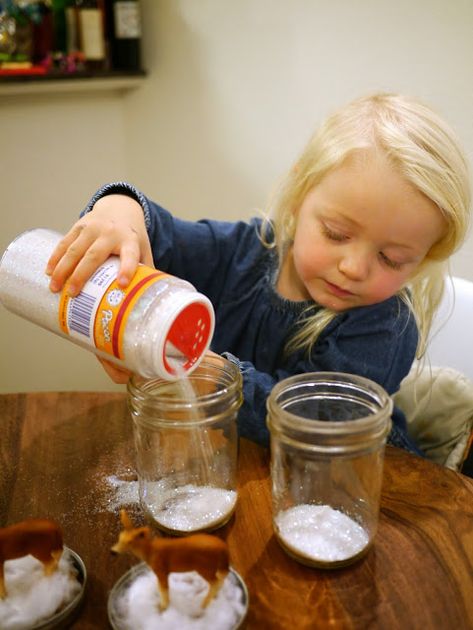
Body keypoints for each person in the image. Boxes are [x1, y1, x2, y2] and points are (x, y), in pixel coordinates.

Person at [46, 92, 471, 454]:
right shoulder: (246, 250)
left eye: (392, 259)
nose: (354, 267)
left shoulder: (385, 324)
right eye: (336, 233)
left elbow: (313, 419)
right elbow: (159, 233)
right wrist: (118, 211)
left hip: (352, 480)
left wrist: (210, 376)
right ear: (299, 195)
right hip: (231, 461)